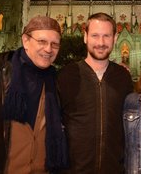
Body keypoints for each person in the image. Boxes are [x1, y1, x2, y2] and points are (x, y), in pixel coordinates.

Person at [0, 16, 68, 174]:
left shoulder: (57, 81)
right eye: (42, 42)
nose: (48, 49)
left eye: (55, 44)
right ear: (25, 40)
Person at [57, 12, 133, 174]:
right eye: (95, 36)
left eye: (106, 36)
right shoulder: (67, 75)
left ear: (115, 38)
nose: (101, 42)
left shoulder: (123, 78)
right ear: (85, 37)